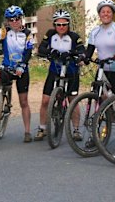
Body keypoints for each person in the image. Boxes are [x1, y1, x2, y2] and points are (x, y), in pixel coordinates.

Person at [0, 5, 34, 143]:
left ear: (22, 19)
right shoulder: (4, 31)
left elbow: (28, 52)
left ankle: (27, 131)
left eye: (17, 19)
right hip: (6, 68)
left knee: (24, 102)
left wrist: (22, 65)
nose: (14, 22)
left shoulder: (27, 34)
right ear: (7, 21)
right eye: (11, 19)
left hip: (21, 71)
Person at [83, 0, 115, 151]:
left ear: (112, 14)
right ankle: (95, 136)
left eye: (108, 11)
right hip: (101, 70)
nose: (106, 14)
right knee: (99, 103)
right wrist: (82, 59)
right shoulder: (95, 32)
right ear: (99, 14)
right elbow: (89, 52)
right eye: (103, 11)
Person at [35, 9, 86, 141]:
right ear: (54, 25)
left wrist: (73, 54)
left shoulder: (74, 36)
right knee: (45, 100)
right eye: (58, 24)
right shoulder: (50, 34)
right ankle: (42, 128)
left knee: (72, 101)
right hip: (55, 71)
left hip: (71, 72)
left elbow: (82, 50)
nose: (61, 27)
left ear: (68, 24)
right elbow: (41, 48)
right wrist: (51, 51)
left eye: (64, 24)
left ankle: (76, 130)